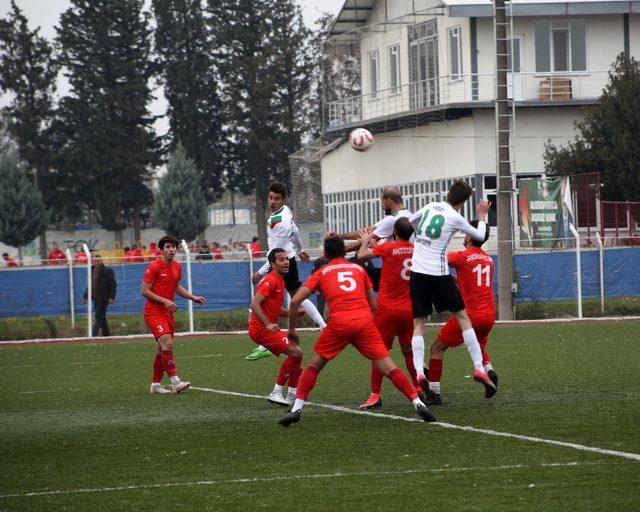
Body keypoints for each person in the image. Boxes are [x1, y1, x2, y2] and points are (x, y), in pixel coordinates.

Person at [278, 236, 436, 427]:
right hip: (363, 322)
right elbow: (372, 304)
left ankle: (296, 409)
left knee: (314, 366)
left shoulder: (322, 271)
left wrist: (292, 330)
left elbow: (295, 301)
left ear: (326, 254)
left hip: (339, 324)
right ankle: (417, 403)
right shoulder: (359, 270)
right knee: (389, 367)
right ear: (345, 252)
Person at [408, 180, 496, 398]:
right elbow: (478, 234)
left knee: (419, 323)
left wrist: (422, 238)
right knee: (462, 317)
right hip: (440, 275)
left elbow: (410, 220)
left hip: (418, 271)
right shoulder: (457, 219)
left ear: (447, 193)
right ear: (464, 201)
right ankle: (479, 366)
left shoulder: (429, 207)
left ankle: (419, 372)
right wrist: (482, 216)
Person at [246, 182, 327, 361]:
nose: (272, 201)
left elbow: (275, 253)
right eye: (270, 197)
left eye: (276, 198)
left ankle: (264, 344)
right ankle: (322, 325)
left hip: (280, 263)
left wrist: (261, 272)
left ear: (284, 199)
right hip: (288, 259)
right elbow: (296, 230)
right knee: (294, 296)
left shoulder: (278, 222)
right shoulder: (286, 211)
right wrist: (300, 249)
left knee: (263, 301)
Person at [425, 221, 498, 405]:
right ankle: (489, 371)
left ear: (469, 236)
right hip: (488, 316)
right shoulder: (488, 259)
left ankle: (434, 393)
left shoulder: (462, 256)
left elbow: (438, 260)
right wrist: (455, 279)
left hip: (470, 316)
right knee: (478, 345)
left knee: (437, 348)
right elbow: (473, 280)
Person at [355, 218, 420, 409]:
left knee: (378, 352)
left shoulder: (389, 248)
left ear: (394, 233)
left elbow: (361, 256)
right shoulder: (417, 250)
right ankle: (418, 387)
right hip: (409, 309)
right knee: (408, 350)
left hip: (387, 310)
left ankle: (375, 395)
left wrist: (366, 240)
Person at [141, 235, 207, 394]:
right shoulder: (154, 267)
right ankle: (176, 382)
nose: (171, 250)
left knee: (161, 350)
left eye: (173, 247)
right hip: (154, 312)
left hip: (168, 313)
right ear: (162, 250)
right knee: (168, 344)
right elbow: (144, 291)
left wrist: (193, 297)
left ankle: (155, 385)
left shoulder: (177, 266)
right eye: (167, 247)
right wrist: (164, 300)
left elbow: (175, 285)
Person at [249, 248, 304, 406]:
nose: (286, 262)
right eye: (281, 259)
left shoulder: (280, 280)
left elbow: (273, 309)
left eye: (287, 259)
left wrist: (291, 314)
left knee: (297, 353)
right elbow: (254, 303)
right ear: (272, 264)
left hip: (266, 328)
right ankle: (277, 392)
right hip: (261, 329)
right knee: (296, 352)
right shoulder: (271, 280)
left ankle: (293, 392)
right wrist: (267, 323)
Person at [83, 253, 117, 336]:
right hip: (95, 298)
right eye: (95, 261)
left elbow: (113, 284)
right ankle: (107, 335)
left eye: (98, 261)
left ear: (102, 261)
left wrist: (112, 297)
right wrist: (86, 296)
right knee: (102, 317)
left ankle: (93, 336)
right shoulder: (91, 270)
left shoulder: (107, 270)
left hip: (104, 298)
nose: (97, 263)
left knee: (98, 316)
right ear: (93, 262)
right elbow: (90, 285)